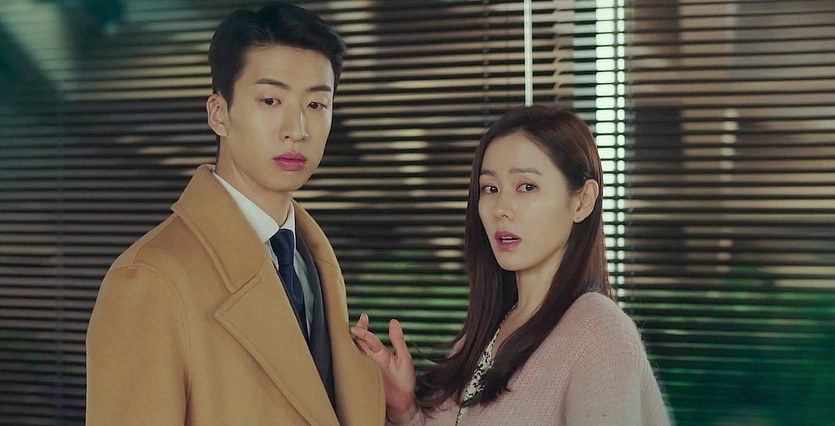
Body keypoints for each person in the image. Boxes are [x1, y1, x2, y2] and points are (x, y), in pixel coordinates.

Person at [86, 3, 384, 425]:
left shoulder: (313, 261)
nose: (297, 129)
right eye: (271, 100)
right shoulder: (151, 279)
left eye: (317, 104)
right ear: (219, 114)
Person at [351, 105, 671, 425]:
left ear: (582, 200)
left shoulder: (599, 334)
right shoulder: (485, 332)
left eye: (526, 186)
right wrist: (405, 410)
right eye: (491, 188)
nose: (501, 208)